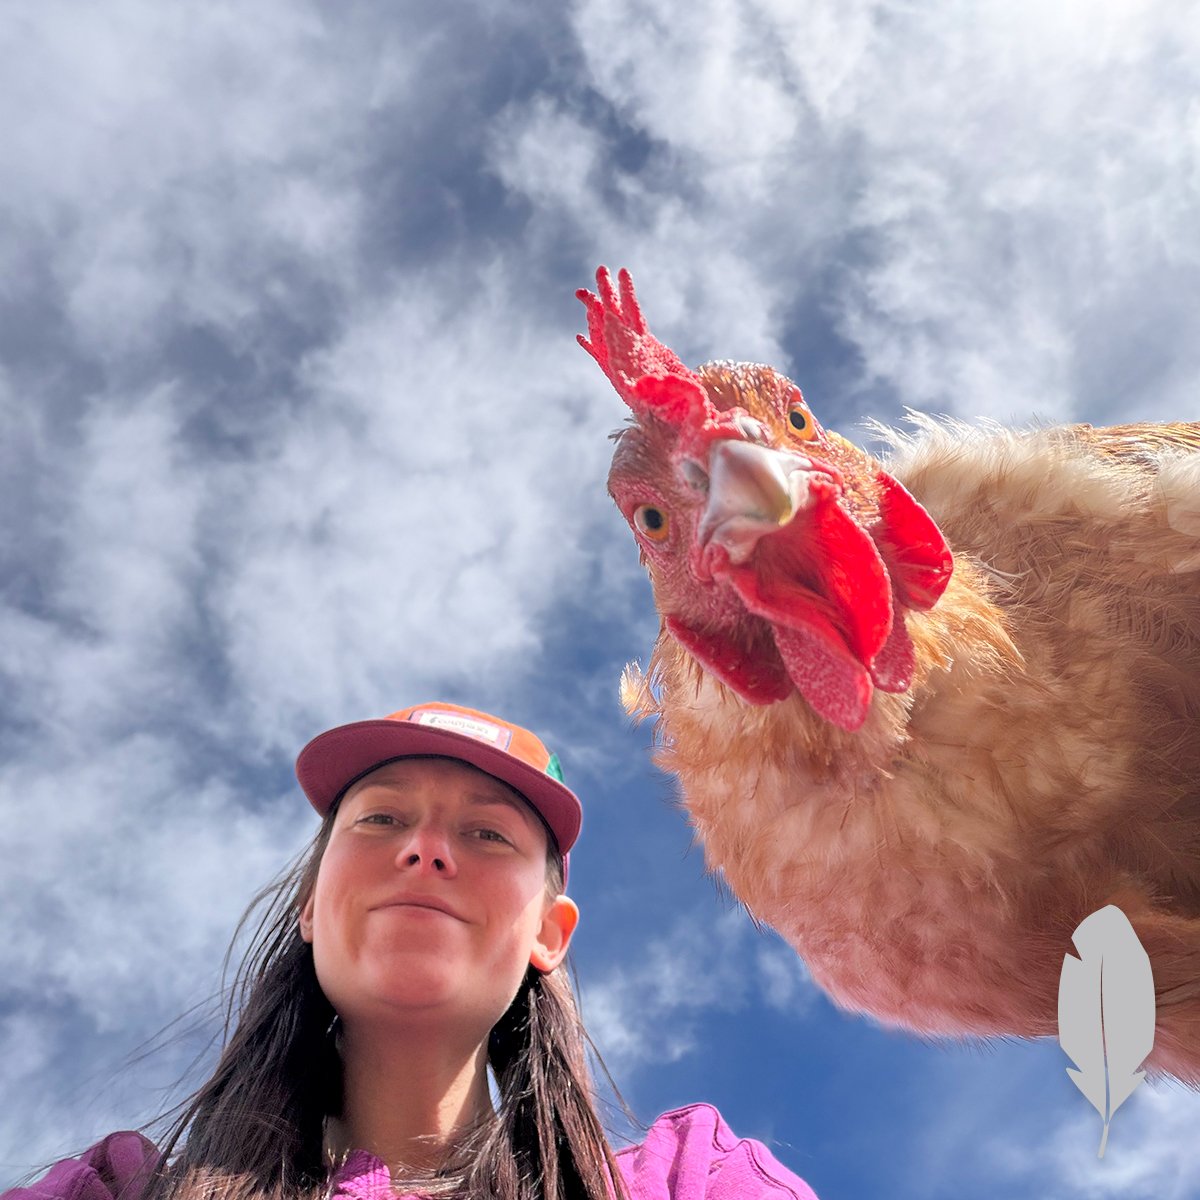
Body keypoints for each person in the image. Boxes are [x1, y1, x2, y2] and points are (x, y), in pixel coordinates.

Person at [4, 702, 819, 1200]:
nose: (426, 849)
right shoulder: (116, 1191)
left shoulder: (686, 1183)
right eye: (382, 819)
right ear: (311, 906)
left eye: (487, 832)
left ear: (548, 934)